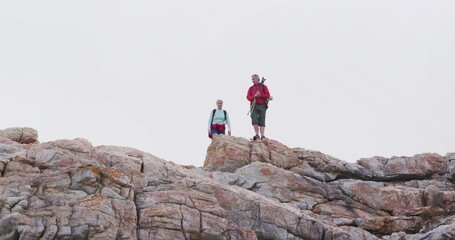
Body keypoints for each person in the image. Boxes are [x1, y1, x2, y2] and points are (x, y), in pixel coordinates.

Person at [247, 74, 270, 140]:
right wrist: (254, 96)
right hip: (254, 105)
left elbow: (268, 95)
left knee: (262, 120)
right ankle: (257, 134)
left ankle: (262, 135)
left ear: (258, 79)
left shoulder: (264, 87)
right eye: (252, 79)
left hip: (262, 105)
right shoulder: (251, 88)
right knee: (254, 120)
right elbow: (248, 97)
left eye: (254, 79)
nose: (253, 80)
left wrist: (260, 95)